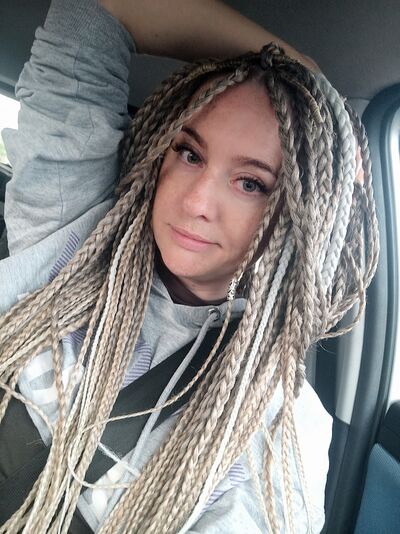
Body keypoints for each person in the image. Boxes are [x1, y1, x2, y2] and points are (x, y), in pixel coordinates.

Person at [0, 0, 379, 532]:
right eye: (190, 154)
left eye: (251, 183)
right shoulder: (73, 240)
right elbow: (100, 11)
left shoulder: (273, 428)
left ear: (299, 217)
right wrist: (301, 70)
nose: (197, 201)